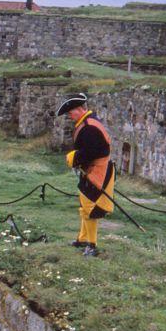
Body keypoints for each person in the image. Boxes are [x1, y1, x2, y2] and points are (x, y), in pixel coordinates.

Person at [56, 92, 115, 257]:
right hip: (91, 169)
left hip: (98, 171)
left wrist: (75, 157)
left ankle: (92, 245)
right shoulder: (86, 123)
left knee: (90, 208)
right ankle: (82, 239)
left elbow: (92, 151)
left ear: (80, 109)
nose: (69, 115)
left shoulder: (90, 127)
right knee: (84, 205)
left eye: (71, 112)